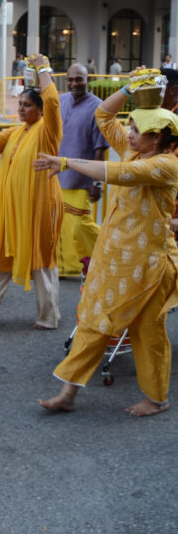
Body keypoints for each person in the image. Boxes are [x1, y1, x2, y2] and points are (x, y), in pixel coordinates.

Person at [35, 87, 178, 417]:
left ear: (156, 139)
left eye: (137, 130)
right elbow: (103, 116)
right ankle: (68, 393)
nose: (129, 134)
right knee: (94, 320)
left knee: (148, 332)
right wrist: (130, 88)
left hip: (151, 266)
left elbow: (115, 174)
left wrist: (66, 162)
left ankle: (157, 399)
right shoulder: (135, 153)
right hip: (115, 261)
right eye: (130, 128)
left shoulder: (166, 166)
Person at [0, 54, 63, 329]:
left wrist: (43, 68)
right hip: (11, 209)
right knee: (1, 258)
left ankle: (49, 316)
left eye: (27, 105)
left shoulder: (48, 131)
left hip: (39, 208)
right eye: (19, 104)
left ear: (41, 110)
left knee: (40, 261)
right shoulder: (17, 132)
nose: (21, 108)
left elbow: (53, 100)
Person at [57, 63, 108, 276]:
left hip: (82, 179)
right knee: (61, 225)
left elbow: (100, 147)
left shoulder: (99, 107)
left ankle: (110, 254)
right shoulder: (60, 101)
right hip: (57, 174)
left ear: (88, 80)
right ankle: (68, 266)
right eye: (70, 79)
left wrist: (96, 183)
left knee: (80, 225)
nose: (74, 83)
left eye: (79, 79)